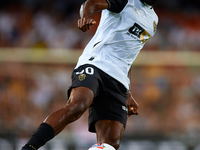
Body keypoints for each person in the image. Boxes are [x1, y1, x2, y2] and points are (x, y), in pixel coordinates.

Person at [21, 0, 158, 149]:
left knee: (111, 143)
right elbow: (91, 3)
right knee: (77, 106)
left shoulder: (153, 20)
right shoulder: (126, 2)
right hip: (96, 63)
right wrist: (85, 16)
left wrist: (128, 92)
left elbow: (128, 55)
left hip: (119, 78)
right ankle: (29, 147)